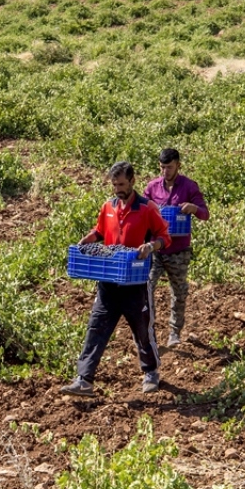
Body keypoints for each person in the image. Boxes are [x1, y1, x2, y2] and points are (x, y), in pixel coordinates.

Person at [62, 161, 172, 397]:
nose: (118, 189)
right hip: (109, 280)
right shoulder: (108, 207)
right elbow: (100, 231)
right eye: (114, 185)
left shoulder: (147, 208)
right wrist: (88, 239)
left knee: (142, 329)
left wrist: (150, 246)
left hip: (134, 282)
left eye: (121, 184)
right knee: (96, 327)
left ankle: (151, 371)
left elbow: (165, 236)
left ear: (133, 181)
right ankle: (84, 379)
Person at [143, 148, 210, 348]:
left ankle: (174, 332)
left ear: (178, 165)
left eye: (169, 167)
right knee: (146, 289)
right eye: (162, 167)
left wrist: (193, 208)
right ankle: (149, 331)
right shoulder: (152, 187)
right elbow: (142, 212)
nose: (165, 171)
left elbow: (205, 214)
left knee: (179, 291)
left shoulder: (189, 186)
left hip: (178, 250)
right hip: (156, 249)